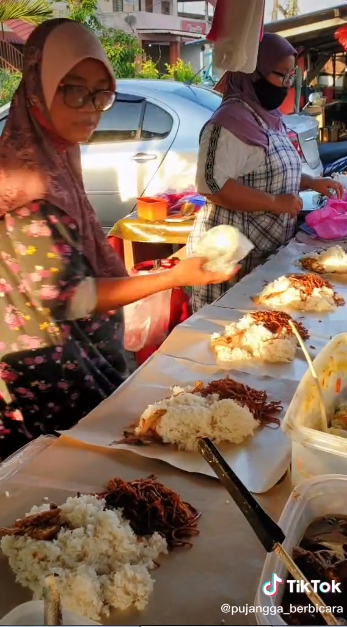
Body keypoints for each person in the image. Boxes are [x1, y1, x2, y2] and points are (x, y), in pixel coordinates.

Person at [0, 18, 237, 458]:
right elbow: (72, 297)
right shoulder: (28, 188)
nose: (91, 107)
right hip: (47, 381)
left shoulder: (55, 157)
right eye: (73, 89)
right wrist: (173, 277)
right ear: (37, 86)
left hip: (72, 362)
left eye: (101, 92)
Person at [187, 33, 343, 312]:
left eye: (290, 76)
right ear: (252, 71)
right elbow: (211, 185)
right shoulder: (227, 123)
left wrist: (311, 182)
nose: (285, 85)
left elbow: (274, 170)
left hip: (264, 251)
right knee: (227, 333)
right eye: (280, 76)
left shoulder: (267, 117)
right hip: (230, 257)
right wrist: (274, 204)